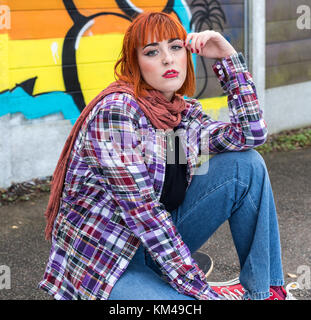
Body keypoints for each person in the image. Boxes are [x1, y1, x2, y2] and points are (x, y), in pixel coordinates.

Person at [38, 11, 288, 300]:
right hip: (109, 263)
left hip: (153, 247)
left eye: (175, 47)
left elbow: (251, 134)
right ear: (136, 64)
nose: (167, 59)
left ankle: (265, 292)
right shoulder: (117, 112)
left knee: (246, 165)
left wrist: (227, 58)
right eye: (152, 51)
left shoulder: (180, 114)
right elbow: (144, 213)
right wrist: (201, 290)